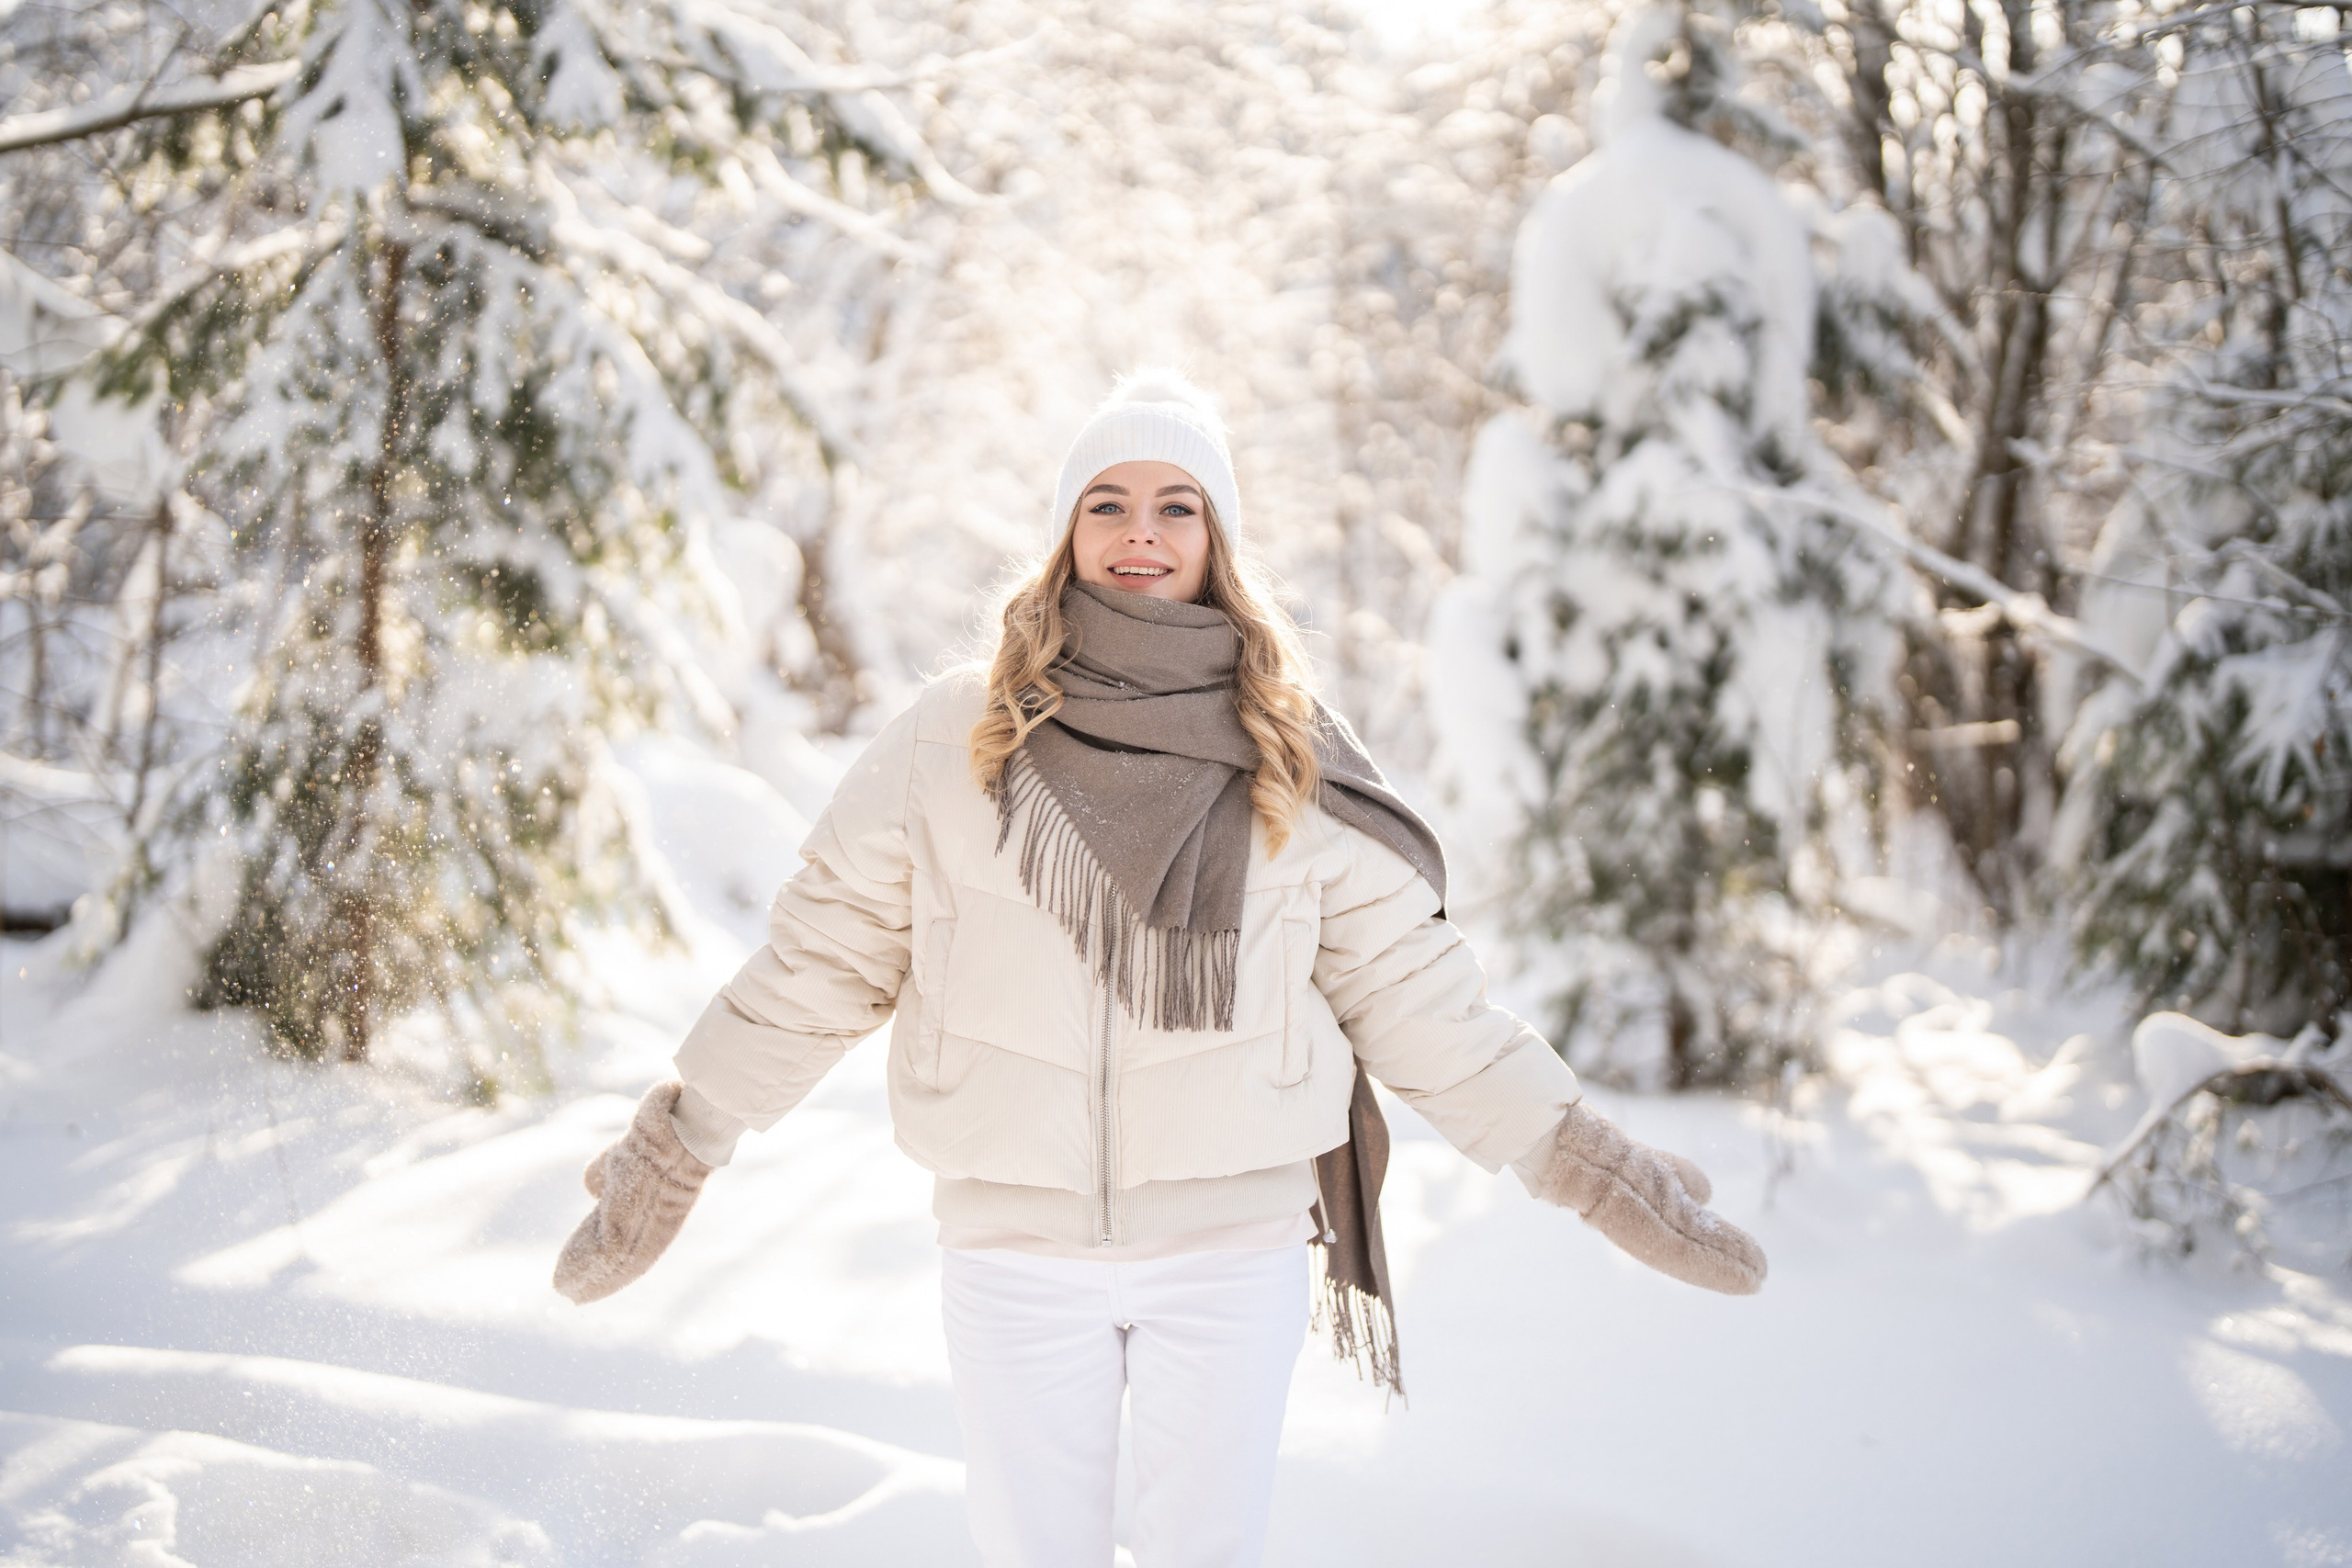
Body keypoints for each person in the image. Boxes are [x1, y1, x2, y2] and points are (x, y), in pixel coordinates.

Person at [552, 369, 1767, 1568]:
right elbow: (819, 964)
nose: (1141, 533)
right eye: (1109, 502)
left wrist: (1586, 1162)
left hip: (1229, 1255)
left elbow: (1418, 1000)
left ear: (1218, 536)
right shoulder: (951, 736)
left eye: (1176, 505)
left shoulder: (1287, 751)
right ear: (1066, 530)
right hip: (1012, 1254)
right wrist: (683, 1136)